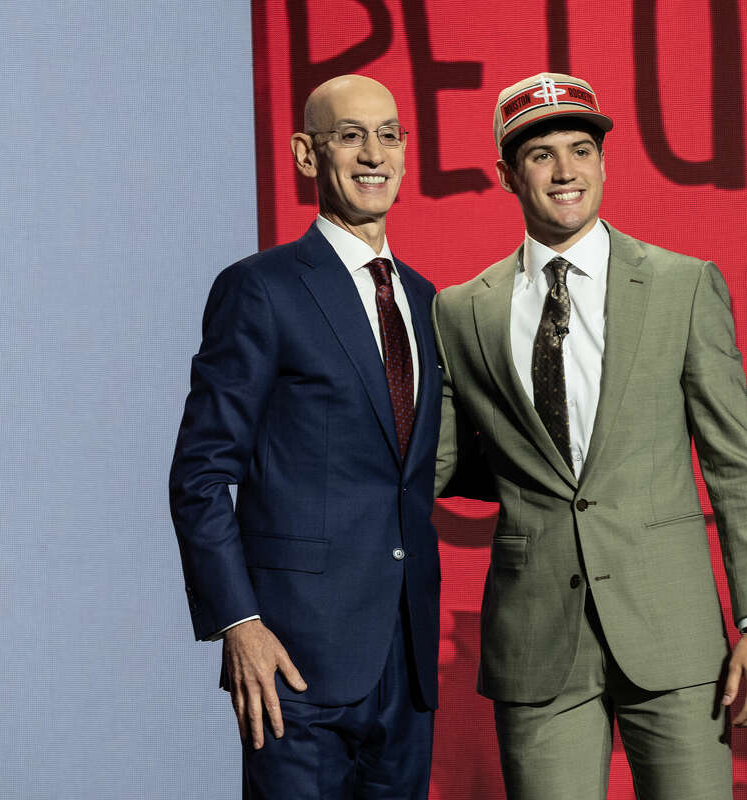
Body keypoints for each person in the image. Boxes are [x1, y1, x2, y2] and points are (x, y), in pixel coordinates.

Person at [433, 72, 747, 799]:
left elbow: (736, 465)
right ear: (507, 175)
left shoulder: (681, 284)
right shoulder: (462, 311)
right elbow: (439, 464)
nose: (566, 171)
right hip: (537, 643)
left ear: (603, 162)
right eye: (541, 155)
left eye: (581, 150)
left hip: (673, 629)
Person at [169, 74, 441, 799]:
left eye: (388, 134)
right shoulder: (261, 288)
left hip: (406, 663)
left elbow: (417, 466)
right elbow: (199, 473)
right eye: (349, 135)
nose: (372, 153)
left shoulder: (422, 297)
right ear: (304, 154)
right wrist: (239, 622)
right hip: (292, 659)